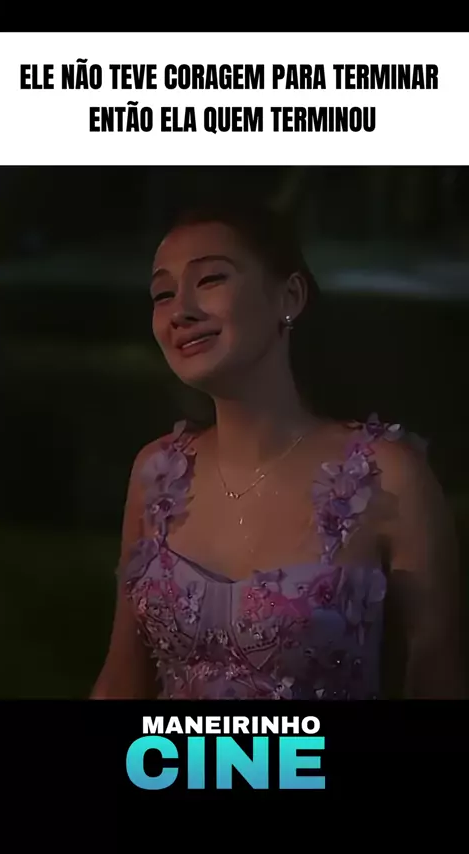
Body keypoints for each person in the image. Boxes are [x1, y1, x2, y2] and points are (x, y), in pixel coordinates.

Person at [91, 201, 463, 701]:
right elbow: (121, 682)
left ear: (290, 295)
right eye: (162, 294)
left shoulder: (388, 477)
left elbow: (437, 680)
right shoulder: (157, 473)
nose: (180, 311)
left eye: (210, 279)